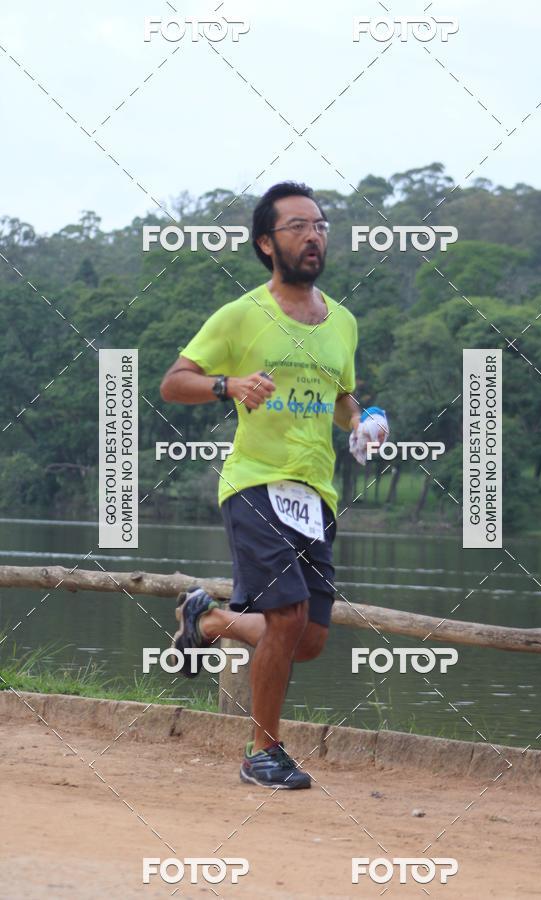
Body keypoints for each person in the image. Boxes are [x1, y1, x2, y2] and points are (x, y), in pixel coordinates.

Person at [160, 181, 386, 789]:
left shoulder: (343, 321)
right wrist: (228, 386)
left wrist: (362, 423)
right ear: (266, 243)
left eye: (321, 226)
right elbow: (173, 382)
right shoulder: (241, 315)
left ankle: (207, 624)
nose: (314, 236)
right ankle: (262, 753)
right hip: (255, 482)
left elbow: (340, 397)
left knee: (307, 638)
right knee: (285, 617)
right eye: (298, 227)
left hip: (317, 496)